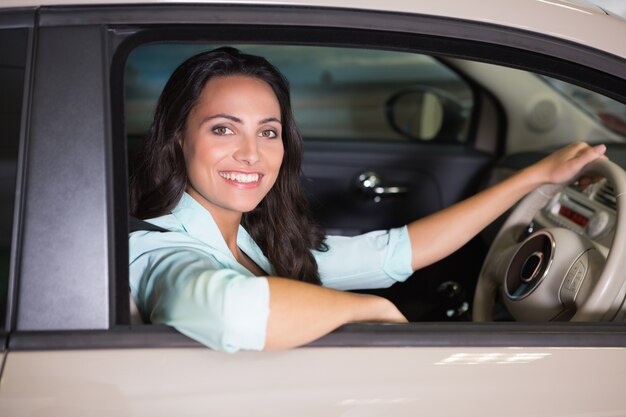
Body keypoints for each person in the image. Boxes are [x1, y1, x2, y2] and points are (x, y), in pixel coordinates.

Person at [129, 47, 606, 353]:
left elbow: (397, 251)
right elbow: (229, 311)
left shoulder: (256, 242)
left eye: (268, 132)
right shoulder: (154, 250)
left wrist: (535, 177)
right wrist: (365, 309)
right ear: (176, 139)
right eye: (223, 128)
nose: (251, 154)